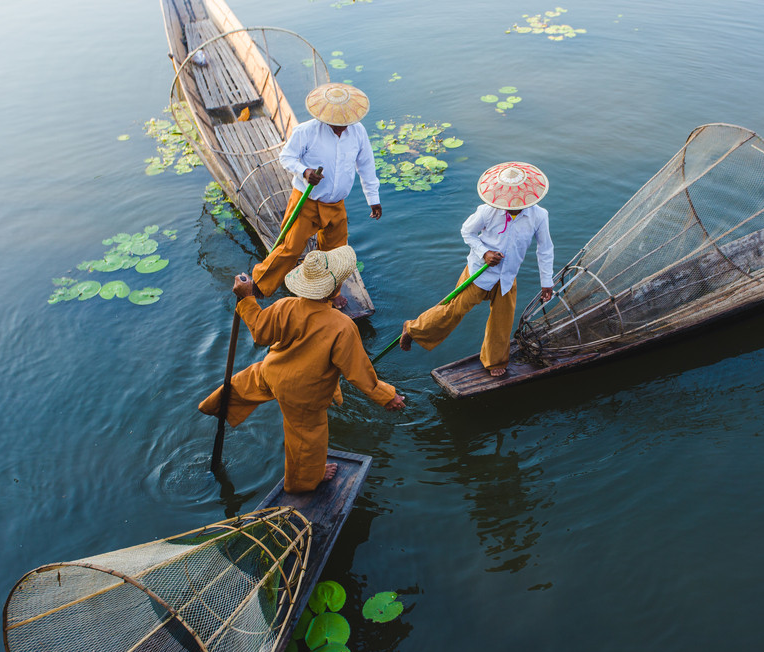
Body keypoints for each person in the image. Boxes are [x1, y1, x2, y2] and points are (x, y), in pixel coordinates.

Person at [201, 245, 405, 493]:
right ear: (335, 289)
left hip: (272, 372)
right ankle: (304, 481)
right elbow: (359, 373)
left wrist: (246, 298)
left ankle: (216, 405)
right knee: (307, 439)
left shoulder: (285, 306)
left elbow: (260, 332)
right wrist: (386, 396)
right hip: (303, 395)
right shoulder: (342, 326)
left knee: (246, 383)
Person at [399, 162, 554, 377]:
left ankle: (494, 360)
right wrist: (485, 253)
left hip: (507, 278)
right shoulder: (488, 211)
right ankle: (413, 329)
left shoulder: (539, 216)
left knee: (502, 321)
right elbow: (467, 232)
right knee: (453, 310)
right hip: (478, 273)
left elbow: (545, 249)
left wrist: (547, 281)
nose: (511, 205)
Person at [250, 83, 382, 305]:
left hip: (336, 204)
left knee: (336, 253)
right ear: (327, 117)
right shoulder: (306, 131)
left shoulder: (358, 132)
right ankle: (259, 284)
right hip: (307, 202)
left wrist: (374, 199)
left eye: (345, 123)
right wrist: (305, 171)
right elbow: (286, 157)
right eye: (336, 124)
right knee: (290, 247)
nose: (341, 128)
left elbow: (366, 165)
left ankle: (329, 294)